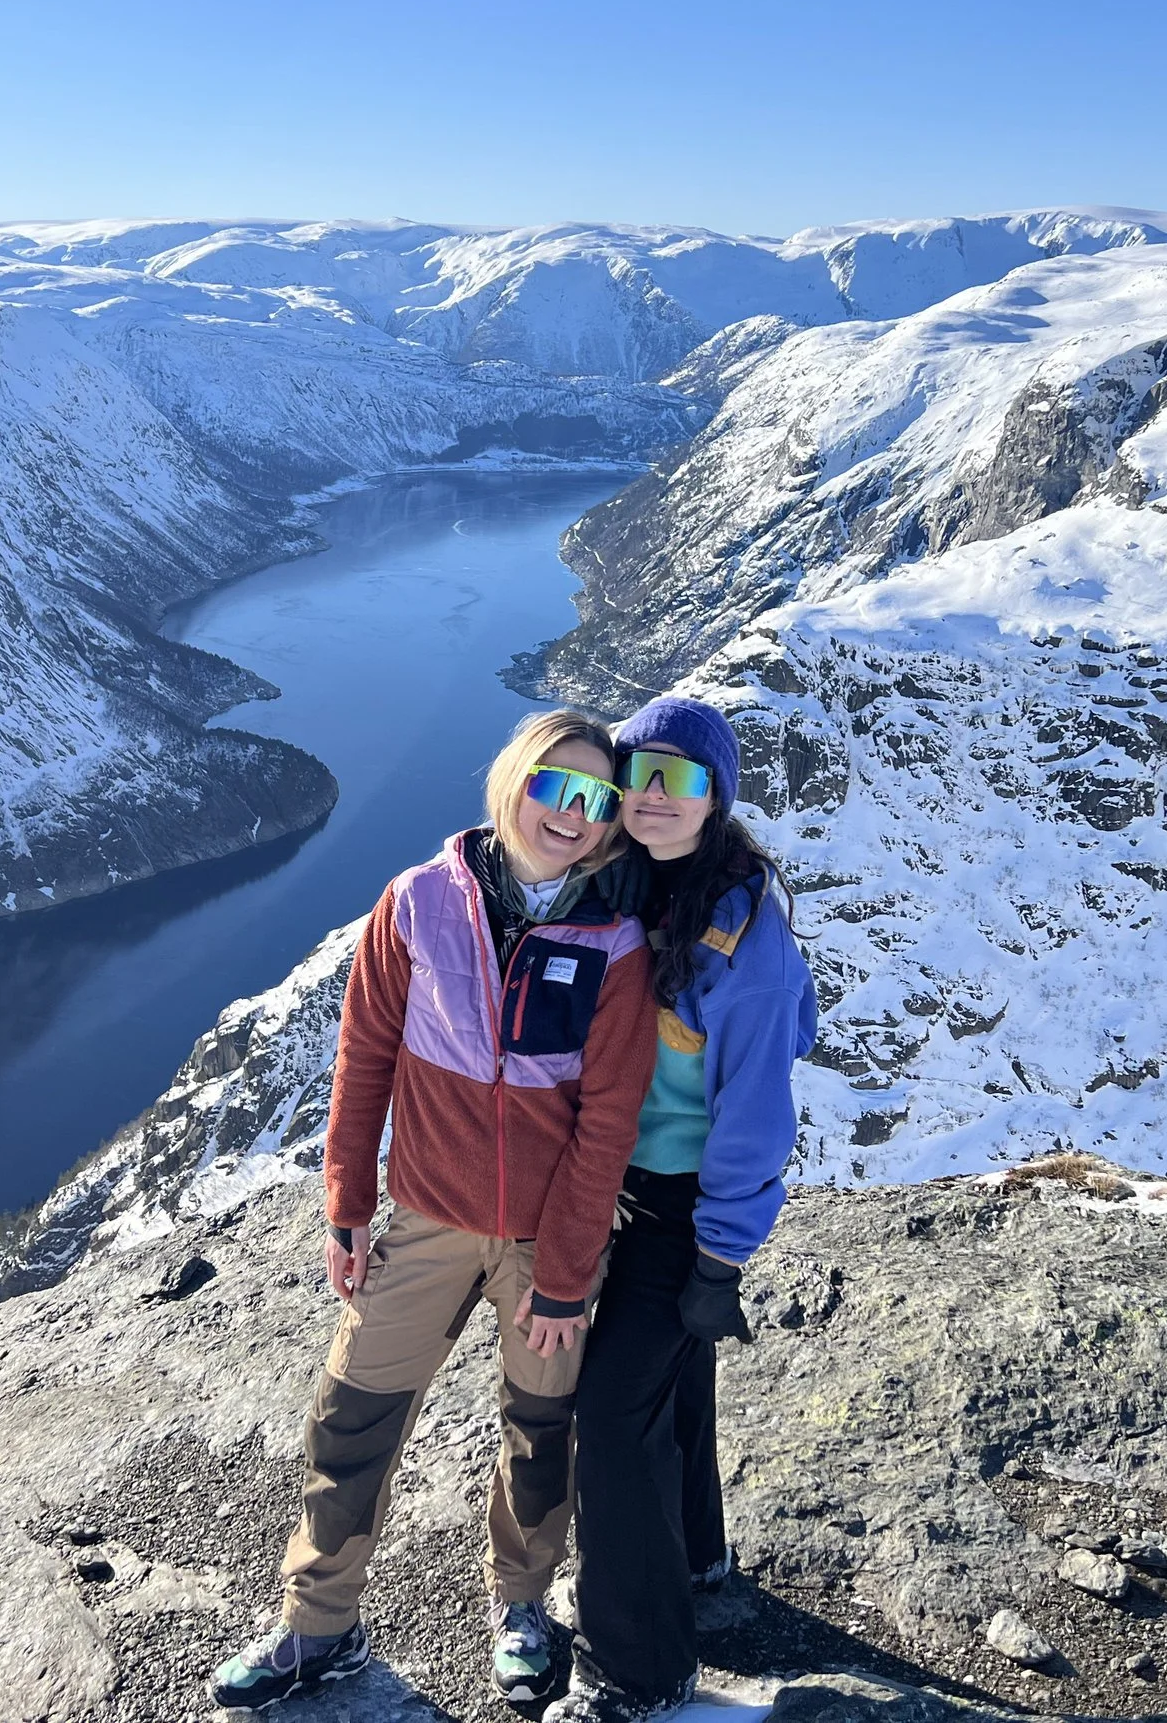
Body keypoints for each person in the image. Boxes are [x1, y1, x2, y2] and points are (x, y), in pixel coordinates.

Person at [211, 709, 657, 1714]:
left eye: (594, 801)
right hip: (422, 1217)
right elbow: (364, 1056)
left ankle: (522, 1609)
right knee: (351, 1418)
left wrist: (565, 1274)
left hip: (546, 1237)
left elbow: (607, 1122)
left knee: (541, 1433)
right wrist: (347, 1204)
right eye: (553, 786)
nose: (571, 815)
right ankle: (315, 1624)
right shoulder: (415, 904)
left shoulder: (614, 944)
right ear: (511, 782)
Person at [554, 696, 818, 1723]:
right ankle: (697, 1562)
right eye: (637, 775)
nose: (651, 796)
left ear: (715, 795)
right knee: (673, 1386)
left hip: (681, 1207)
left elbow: (753, 1114)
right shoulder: (634, 887)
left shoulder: (739, 940)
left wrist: (719, 1260)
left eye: (678, 778)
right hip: (622, 1186)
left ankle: (637, 1669)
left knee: (609, 1421)